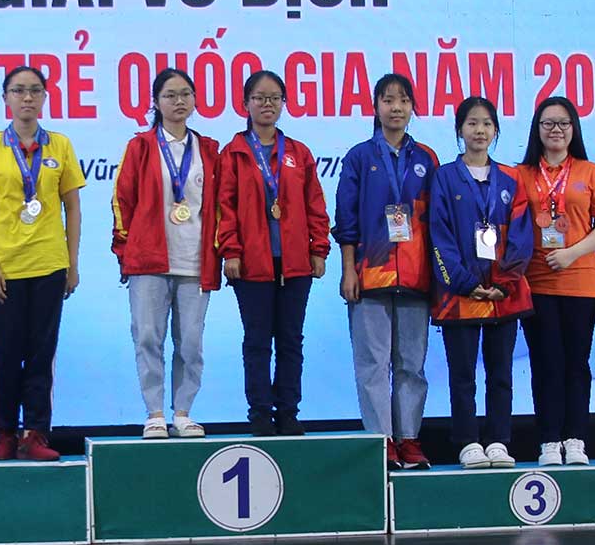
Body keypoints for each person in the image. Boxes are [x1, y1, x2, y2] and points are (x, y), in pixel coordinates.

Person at [0, 66, 85, 461]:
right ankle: (4, 432)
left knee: (40, 354)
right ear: (6, 98)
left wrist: (72, 264)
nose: (27, 97)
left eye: (35, 90)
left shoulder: (60, 145)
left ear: (45, 97)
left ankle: (36, 433)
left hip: (49, 265)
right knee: (5, 354)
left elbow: (72, 207)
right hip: (4, 268)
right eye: (18, 90)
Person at [333, 73, 437, 470]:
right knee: (373, 364)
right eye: (388, 100)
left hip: (416, 277)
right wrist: (348, 270)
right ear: (375, 107)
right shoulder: (359, 157)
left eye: (404, 100)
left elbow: (437, 223)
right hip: (370, 275)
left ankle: (408, 437)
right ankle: (382, 440)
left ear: (412, 108)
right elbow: (346, 220)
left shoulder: (426, 159)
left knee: (411, 364)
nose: (396, 108)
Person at [218, 70, 330, 436]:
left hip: (295, 264)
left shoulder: (298, 152)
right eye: (259, 98)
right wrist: (231, 252)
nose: (267, 104)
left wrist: (319, 248)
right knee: (257, 341)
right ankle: (260, 415)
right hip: (251, 264)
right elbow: (225, 207)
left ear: (283, 103)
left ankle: (289, 413)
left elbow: (315, 204)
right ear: (245, 104)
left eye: (275, 98)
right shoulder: (233, 153)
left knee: (291, 341)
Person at [111, 69, 221, 439]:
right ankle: (155, 412)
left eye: (186, 94)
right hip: (149, 260)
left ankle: (183, 412)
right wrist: (126, 251)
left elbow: (220, 206)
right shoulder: (141, 147)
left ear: (195, 100)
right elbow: (122, 201)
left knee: (190, 342)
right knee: (147, 336)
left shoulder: (208, 150)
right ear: (156, 102)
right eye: (170, 95)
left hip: (195, 262)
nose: (179, 101)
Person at [430, 97, 534, 469]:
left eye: (487, 123)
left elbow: (522, 235)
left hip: (503, 295)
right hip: (460, 295)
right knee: (462, 375)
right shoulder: (444, 177)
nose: (479, 130)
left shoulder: (511, 179)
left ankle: (499, 440)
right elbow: (439, 234)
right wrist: (463, 282)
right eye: (472, 123)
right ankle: (468, 441)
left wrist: (505, 282)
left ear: (496, 130)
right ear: (460, 129)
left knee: (500, 373)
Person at [516, 96, 595, 466]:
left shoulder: (591, 172)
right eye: (548, 123)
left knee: (576, 363)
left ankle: (575, 440)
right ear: (537, 129)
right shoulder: (522, 174)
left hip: (581, 282)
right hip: (536, 282)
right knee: (545, 364)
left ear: (574, 129)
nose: (555, 129)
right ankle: (548, 440)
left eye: (563, 123)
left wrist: (572, 252)